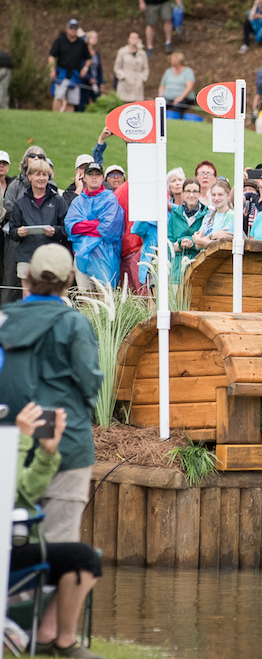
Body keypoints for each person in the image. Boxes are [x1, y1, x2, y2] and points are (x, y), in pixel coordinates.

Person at [0, 244, 104, 546]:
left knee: (10, 554)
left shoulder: (4, 320)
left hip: (10, 445)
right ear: (69, 279)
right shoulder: (74, 323)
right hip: (66, 443)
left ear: (28, 277)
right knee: (62, 553)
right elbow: (90, 383)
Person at [11, 402, 104, 659]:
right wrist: (21, 441)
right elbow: (5, 491)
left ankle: (60, 640)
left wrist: (47, 453)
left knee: (85, 558)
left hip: (12, 549)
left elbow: (25, 492)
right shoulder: (12, 443)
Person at [8, 159, 68, 295]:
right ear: (29, 177)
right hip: (26, 255)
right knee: (28, 296)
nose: (41, 178)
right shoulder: (20, 202)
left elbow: (66, 229)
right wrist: (18, 232)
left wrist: (55, 231)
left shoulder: (58, 200)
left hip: (51, 256)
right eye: (38, 174)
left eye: (44, 175)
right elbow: (12, 231)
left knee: (51, 295)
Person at [65, 163, 125, 290]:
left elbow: (110, 229)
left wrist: (83, 226)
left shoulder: (110, 199)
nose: (94, 177)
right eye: (90, 174)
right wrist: (97, 223)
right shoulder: (78, 202)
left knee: (105, 297)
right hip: (82, 256)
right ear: (84, 178)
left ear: (102, 177)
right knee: (86, 297)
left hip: (105, 256)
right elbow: (72, 228)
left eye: (97, 174)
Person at [167, 177, 207, 282]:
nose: (191, 195)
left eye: (195, 191)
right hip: (177, 271)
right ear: (183, 193)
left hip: (199, 268)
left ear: (199, 194)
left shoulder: (206, 215)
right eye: (188, 191)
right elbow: (168, 242)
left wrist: (186, 241)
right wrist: (178, 246)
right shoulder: (175, 215)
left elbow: (207, 240)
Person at [48, 19, 91, 113]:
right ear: (67, 29)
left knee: (72, 100)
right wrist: (52, 70)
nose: (73, 30)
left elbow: (88, 58)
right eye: (71, 27)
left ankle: (69, 120)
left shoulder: (81, 43)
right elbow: (51, 56)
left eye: (75, 28)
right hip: (62, 73)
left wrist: (85, 69)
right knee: (58, 96)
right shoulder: (60, 40)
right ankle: (54, 116)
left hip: (75, 75)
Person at [193, 179, 235, 249]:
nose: (216, 198)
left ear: (229, 196)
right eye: (213, 195)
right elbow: (197, 246)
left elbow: (222, 245)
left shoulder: (232, 216)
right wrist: (213, 236)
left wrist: (201, 239)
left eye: (220, 195)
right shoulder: (208, 216)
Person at [113, 32, 149, 102]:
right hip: (125, 84)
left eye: (136, 38)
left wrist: (142, 77)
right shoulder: (122, 52)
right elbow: (117, 67)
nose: (134, 40)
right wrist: (123, 76)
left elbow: (146, 68)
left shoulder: (142, 54)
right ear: (128, 39)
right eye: (132, 37)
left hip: (138, 84)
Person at [76, 31, 104, 112]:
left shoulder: (97, 54)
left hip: (95, 83)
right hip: (85, 82)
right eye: (93, 37)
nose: (95, 39)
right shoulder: (83, 52)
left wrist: (101, 82)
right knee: (83, 103)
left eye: (96, 37)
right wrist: (89, 78)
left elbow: (99, 69)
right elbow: (80, 67)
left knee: (98, 103)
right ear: (88, 39)